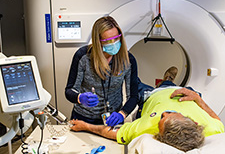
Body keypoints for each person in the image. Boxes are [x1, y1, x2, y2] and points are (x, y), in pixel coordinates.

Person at [69, 67, 224, 152]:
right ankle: (168, 80)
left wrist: (85, 126)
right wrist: (197, 98)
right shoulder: (210, 128)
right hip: (184, 91)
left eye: (162, 119)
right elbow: (216, 119)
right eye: (171, 114)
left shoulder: (147, 128)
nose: (164, 113)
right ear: (194, 122)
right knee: (180, 88)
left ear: (159, 134)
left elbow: (112, 133)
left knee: (134, 82)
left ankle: (163, 81)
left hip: (150, 96)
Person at [65, 16, 138, 126]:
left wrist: (122, 114)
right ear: (98, 42)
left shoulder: (128, 60)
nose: (113, 43)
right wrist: (80, 98)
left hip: (113, 119)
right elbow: (69, 90)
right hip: (83, 118)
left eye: (116, 38)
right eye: (108, 40)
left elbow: (133, 96)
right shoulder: (83, 57)